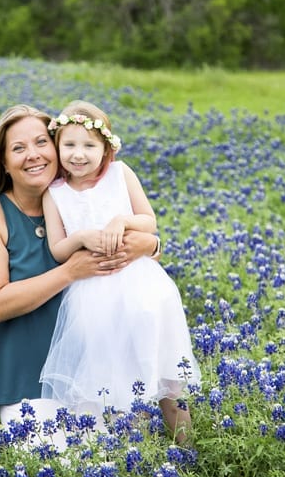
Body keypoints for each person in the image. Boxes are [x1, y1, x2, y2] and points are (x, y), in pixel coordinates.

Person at [0, 103, 159, 447]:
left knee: (124, 455)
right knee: (55, 463)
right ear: (4, 162)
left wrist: (151, 245)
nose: (33, 155)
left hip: (87, 372)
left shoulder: (74, 202)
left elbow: (139, 240)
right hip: (23, 382)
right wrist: (70, 272)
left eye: (41, 143)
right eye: (18, 148)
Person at [40, 100, 201, 441]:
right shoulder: (54, 194)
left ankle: (187, 453)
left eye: (89, 145)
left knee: (167, 378)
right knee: (117, 385)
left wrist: (122, 220)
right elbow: (57, 250)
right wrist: (81, 237)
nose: (78, 154)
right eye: (69, 145)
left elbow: (149, 222)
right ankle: (135, 463)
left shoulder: (120, 173)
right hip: (93, 298)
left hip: (144, 290)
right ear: (57, 146)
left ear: (106, 149)